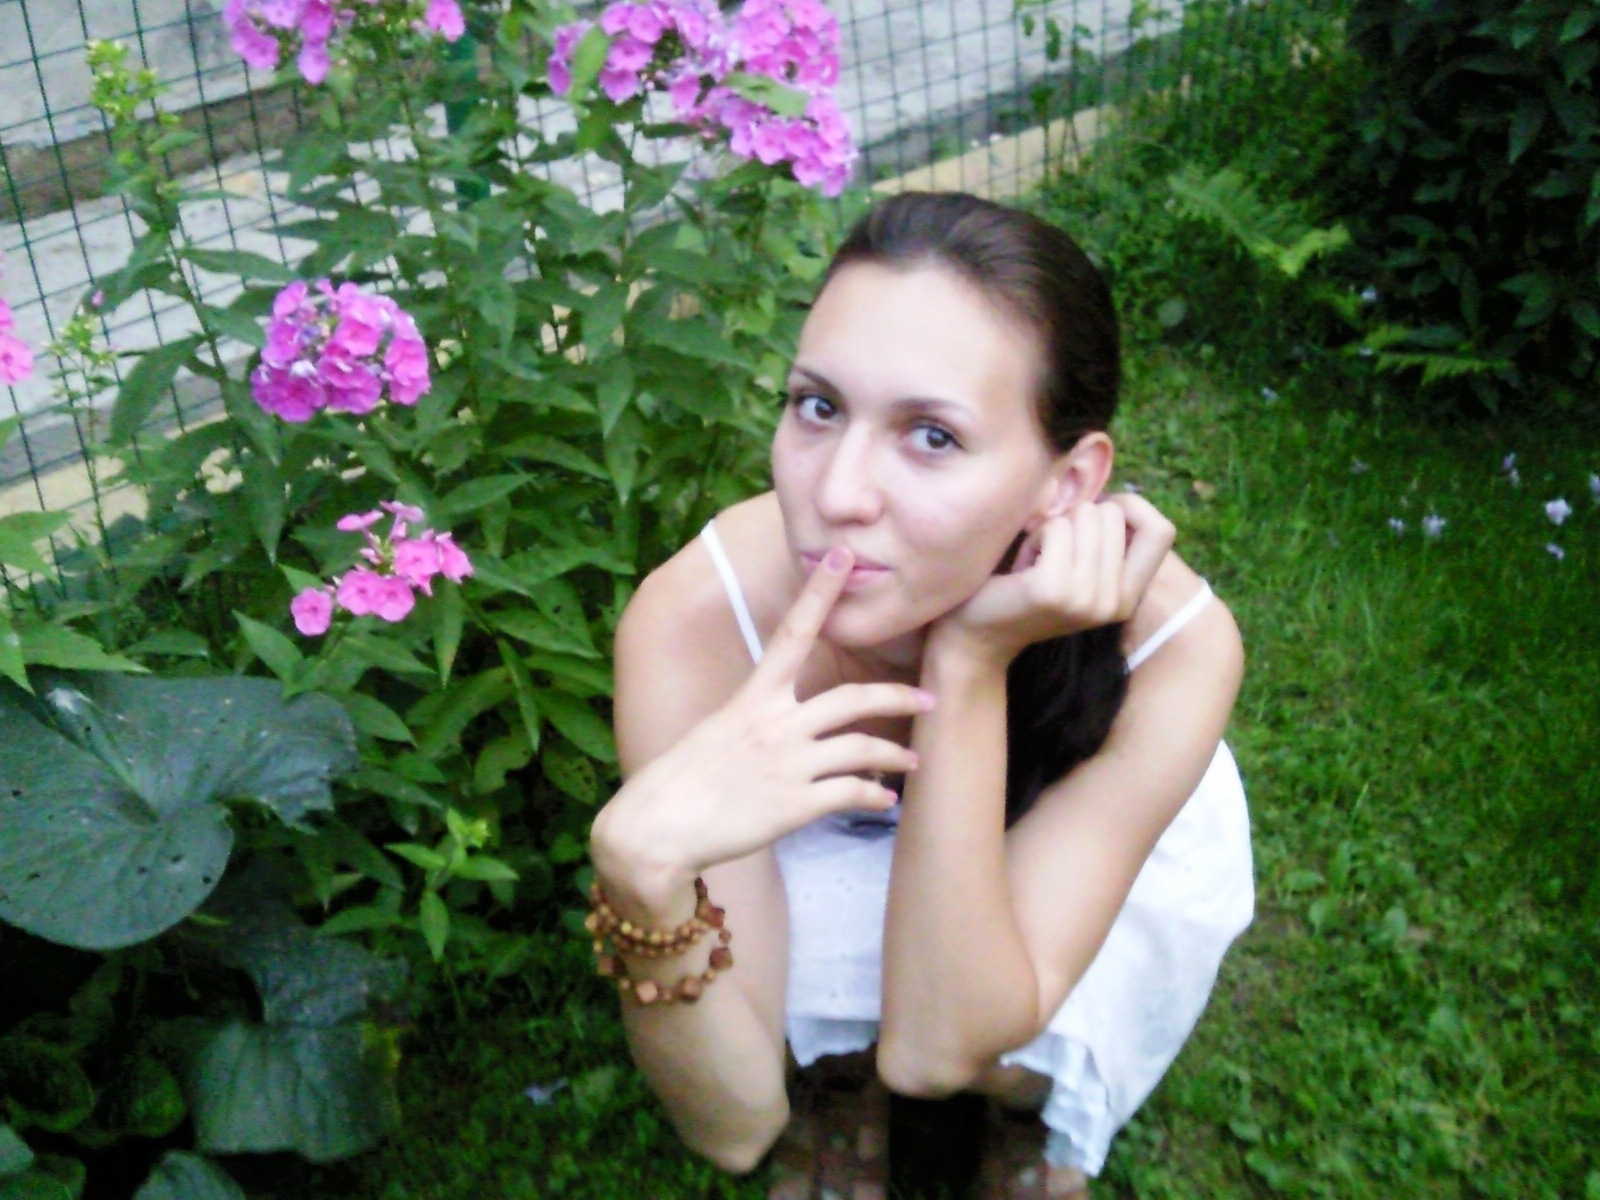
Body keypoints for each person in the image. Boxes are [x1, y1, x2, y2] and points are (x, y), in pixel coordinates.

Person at [586, 191, 1254, 1197]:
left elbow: (936, 1047)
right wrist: (643, 880)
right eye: (818, 406)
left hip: (1045, 846)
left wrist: (970, 660)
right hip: (821, 825)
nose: (836, 494)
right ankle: (845, 1074)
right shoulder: (700, 623)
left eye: (931, 436)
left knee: (1010, 1025)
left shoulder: (1168, 648)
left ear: (1067, 483)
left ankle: (1021, 1109)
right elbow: (732, 1127)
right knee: (799, 977)